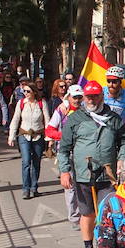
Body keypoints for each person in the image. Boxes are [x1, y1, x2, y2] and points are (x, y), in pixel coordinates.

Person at [58, 80, 125, 248]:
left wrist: (122, 158)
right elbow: (64, 148)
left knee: (109, 213)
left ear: (101, 96)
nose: (91, 100)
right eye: (88, 96)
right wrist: (64, 171)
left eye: (95, 96)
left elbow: (124, 140)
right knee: (87, 213)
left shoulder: (113, 118)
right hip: (83, 175)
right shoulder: (75, 119)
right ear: (84, 97)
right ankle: (88, 247)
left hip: (107, 176)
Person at [46, 84, 84, 230]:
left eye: (80, 97)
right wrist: (65, 136)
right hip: (66, 152)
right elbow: (49, 131)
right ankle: (74, 218)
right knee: (70, 186)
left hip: (83, 153)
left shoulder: (86, 110)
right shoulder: (62, 110)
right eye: (75, 97)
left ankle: (85, 214)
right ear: (69, 97)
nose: (77, 100)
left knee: (84, 184)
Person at [8, 81, 50, 200]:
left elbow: (47, 120)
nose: (25, 93)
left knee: (36, 162)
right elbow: (15, 119)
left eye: (28, 91)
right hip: (24, 136)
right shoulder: (21, 103)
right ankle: (26, 189)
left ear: (34, 92)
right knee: (26, 162)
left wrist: (49, 138)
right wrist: (11, 136)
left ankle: (34, 187)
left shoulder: (42, 103)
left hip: (38, 136)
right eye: (24, 91)